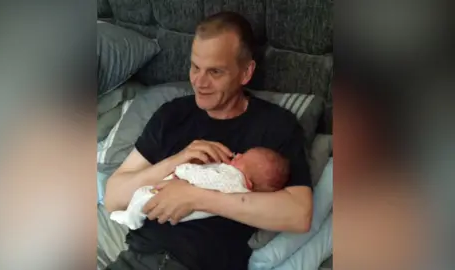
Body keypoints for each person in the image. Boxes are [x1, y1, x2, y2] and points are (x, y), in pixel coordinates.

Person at [103, 11, 313, 270]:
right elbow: (113, 197)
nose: (199, 82)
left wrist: (196, 198)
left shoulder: (275, 126)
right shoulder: (172, 115)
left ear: (246, 72)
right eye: (195, 67)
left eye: (215, 71)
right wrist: (175, 161)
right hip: (135, 260)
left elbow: (299, 214)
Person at [109, 147, 291, 230]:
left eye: (243, 159)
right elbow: (112, 197)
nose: (239, 154)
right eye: (195, 68)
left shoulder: (233, 178)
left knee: (144, 197)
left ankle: (131, 218)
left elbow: (206, 178)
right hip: (149, 243)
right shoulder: (240, 187)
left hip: (172, 253)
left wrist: (184, 169)